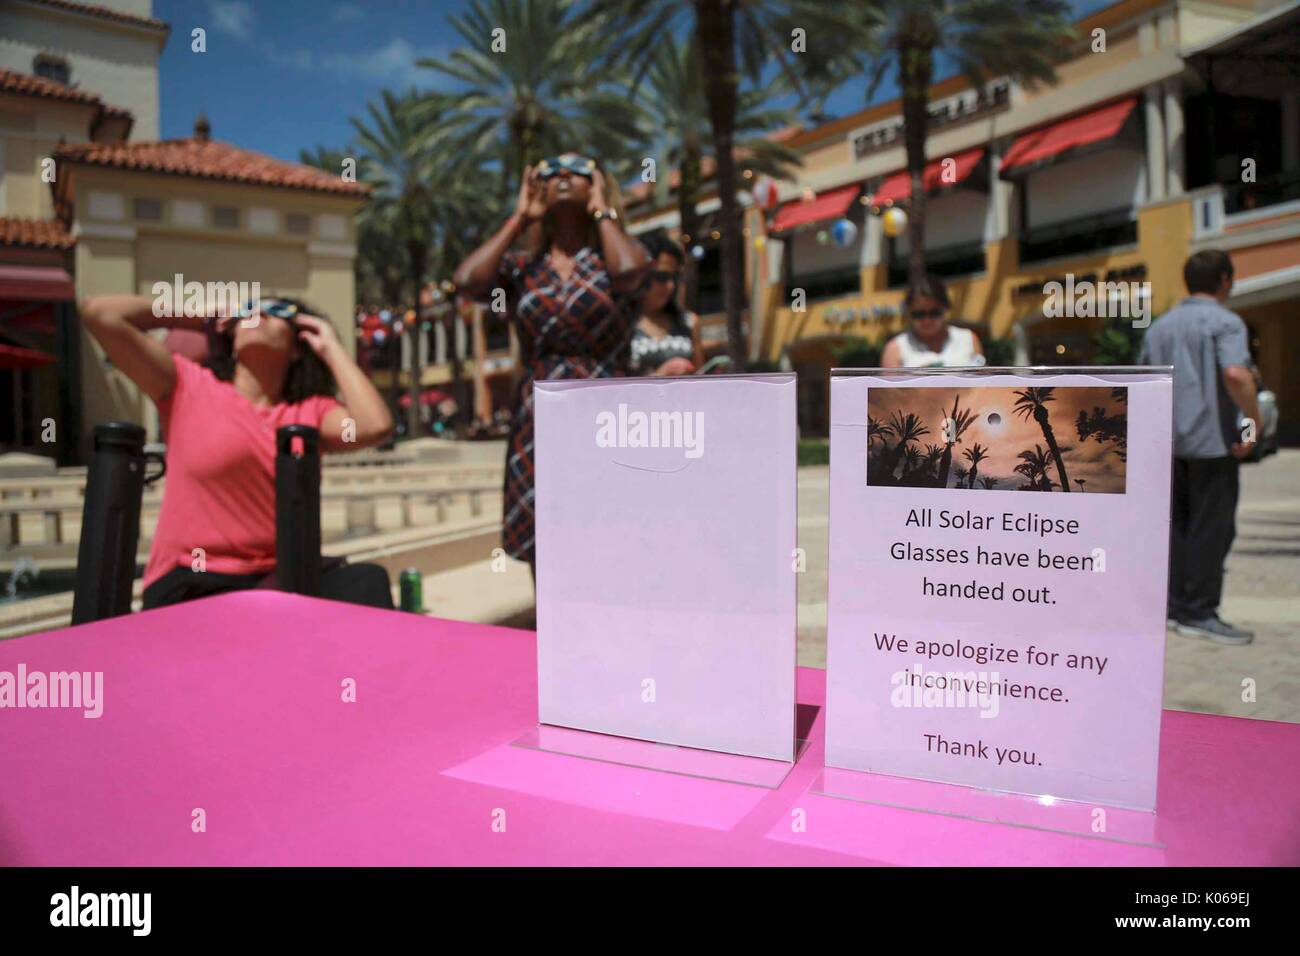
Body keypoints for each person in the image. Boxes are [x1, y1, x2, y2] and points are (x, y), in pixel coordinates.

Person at [79, 293, 397, 610]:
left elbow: (374, 425)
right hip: (195, 579)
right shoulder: (186, 386)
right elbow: (101, 313)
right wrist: (198, 316)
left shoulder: (309, 414)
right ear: (229, 336)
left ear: (298, 347)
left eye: (277, 311)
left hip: (278, 580)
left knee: (367, 581)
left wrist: (330, 345)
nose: (258, 314)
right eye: (248, 311)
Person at [454, 153, 648, 573]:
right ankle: (554, 636)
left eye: (578, 170)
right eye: (549, 171)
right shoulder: (523, 268)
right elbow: (467, 281)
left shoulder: (617, 255)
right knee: (547, 542)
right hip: (539, 415)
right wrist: (519, 219)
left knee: (613, 537)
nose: (562, 175)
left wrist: (603, 213)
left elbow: (632, 274)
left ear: (596, 183)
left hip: (607, 409)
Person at [1139, 249, 1260, 644]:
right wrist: (1254, 420)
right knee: (1213, 529)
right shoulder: (1226, 322)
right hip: (1213, 443)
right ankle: (1200, 612)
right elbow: (1235, 373)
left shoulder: (1159, 328)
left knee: (1176, 528)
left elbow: (1143, 383)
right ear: (1225, 279)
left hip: (1167, 445)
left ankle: (1174, 607)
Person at [629, 232, 704, 376]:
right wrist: (659, 377)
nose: (670, 285)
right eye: (662, 277)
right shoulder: (623, 325)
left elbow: (701, 378)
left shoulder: (689, 322)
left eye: (674, 277)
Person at [881, 274, 984, 368]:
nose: (927, 320)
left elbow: (983, 382)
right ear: (909, 312)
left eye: (934, 313)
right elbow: (889, 388)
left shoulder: (968, 339)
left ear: (945, 308)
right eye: (919, 314)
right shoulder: (895, 348)